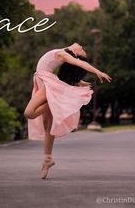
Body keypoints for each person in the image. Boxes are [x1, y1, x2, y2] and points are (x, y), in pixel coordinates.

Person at [24, 43, 112, 179]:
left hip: (47, 83)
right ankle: (47, 159)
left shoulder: (63, 54)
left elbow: (80, 64)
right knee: (48, 125)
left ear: (76, 54)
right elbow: (68, 72)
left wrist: (97, 72)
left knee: (29, 113)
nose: (81, 46)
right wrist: (80, 81)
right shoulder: (62, 53)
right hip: (44, 81)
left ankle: (54, 103)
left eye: (82, 50)